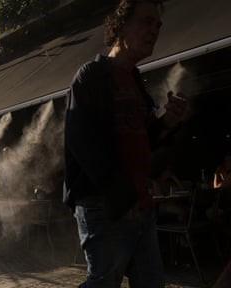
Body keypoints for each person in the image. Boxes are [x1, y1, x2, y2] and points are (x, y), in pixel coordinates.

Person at [63, 0, 187, 287]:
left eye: (158, 25)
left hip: (140, 204)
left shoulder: (136, 81)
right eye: (146, 21)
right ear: (119, 26)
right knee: (104, 282)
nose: (155, 30)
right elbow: (83, 142)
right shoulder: (90, 75)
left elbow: (141, 140)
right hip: (106, 204)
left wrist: (165, 124)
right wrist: (119, 194)